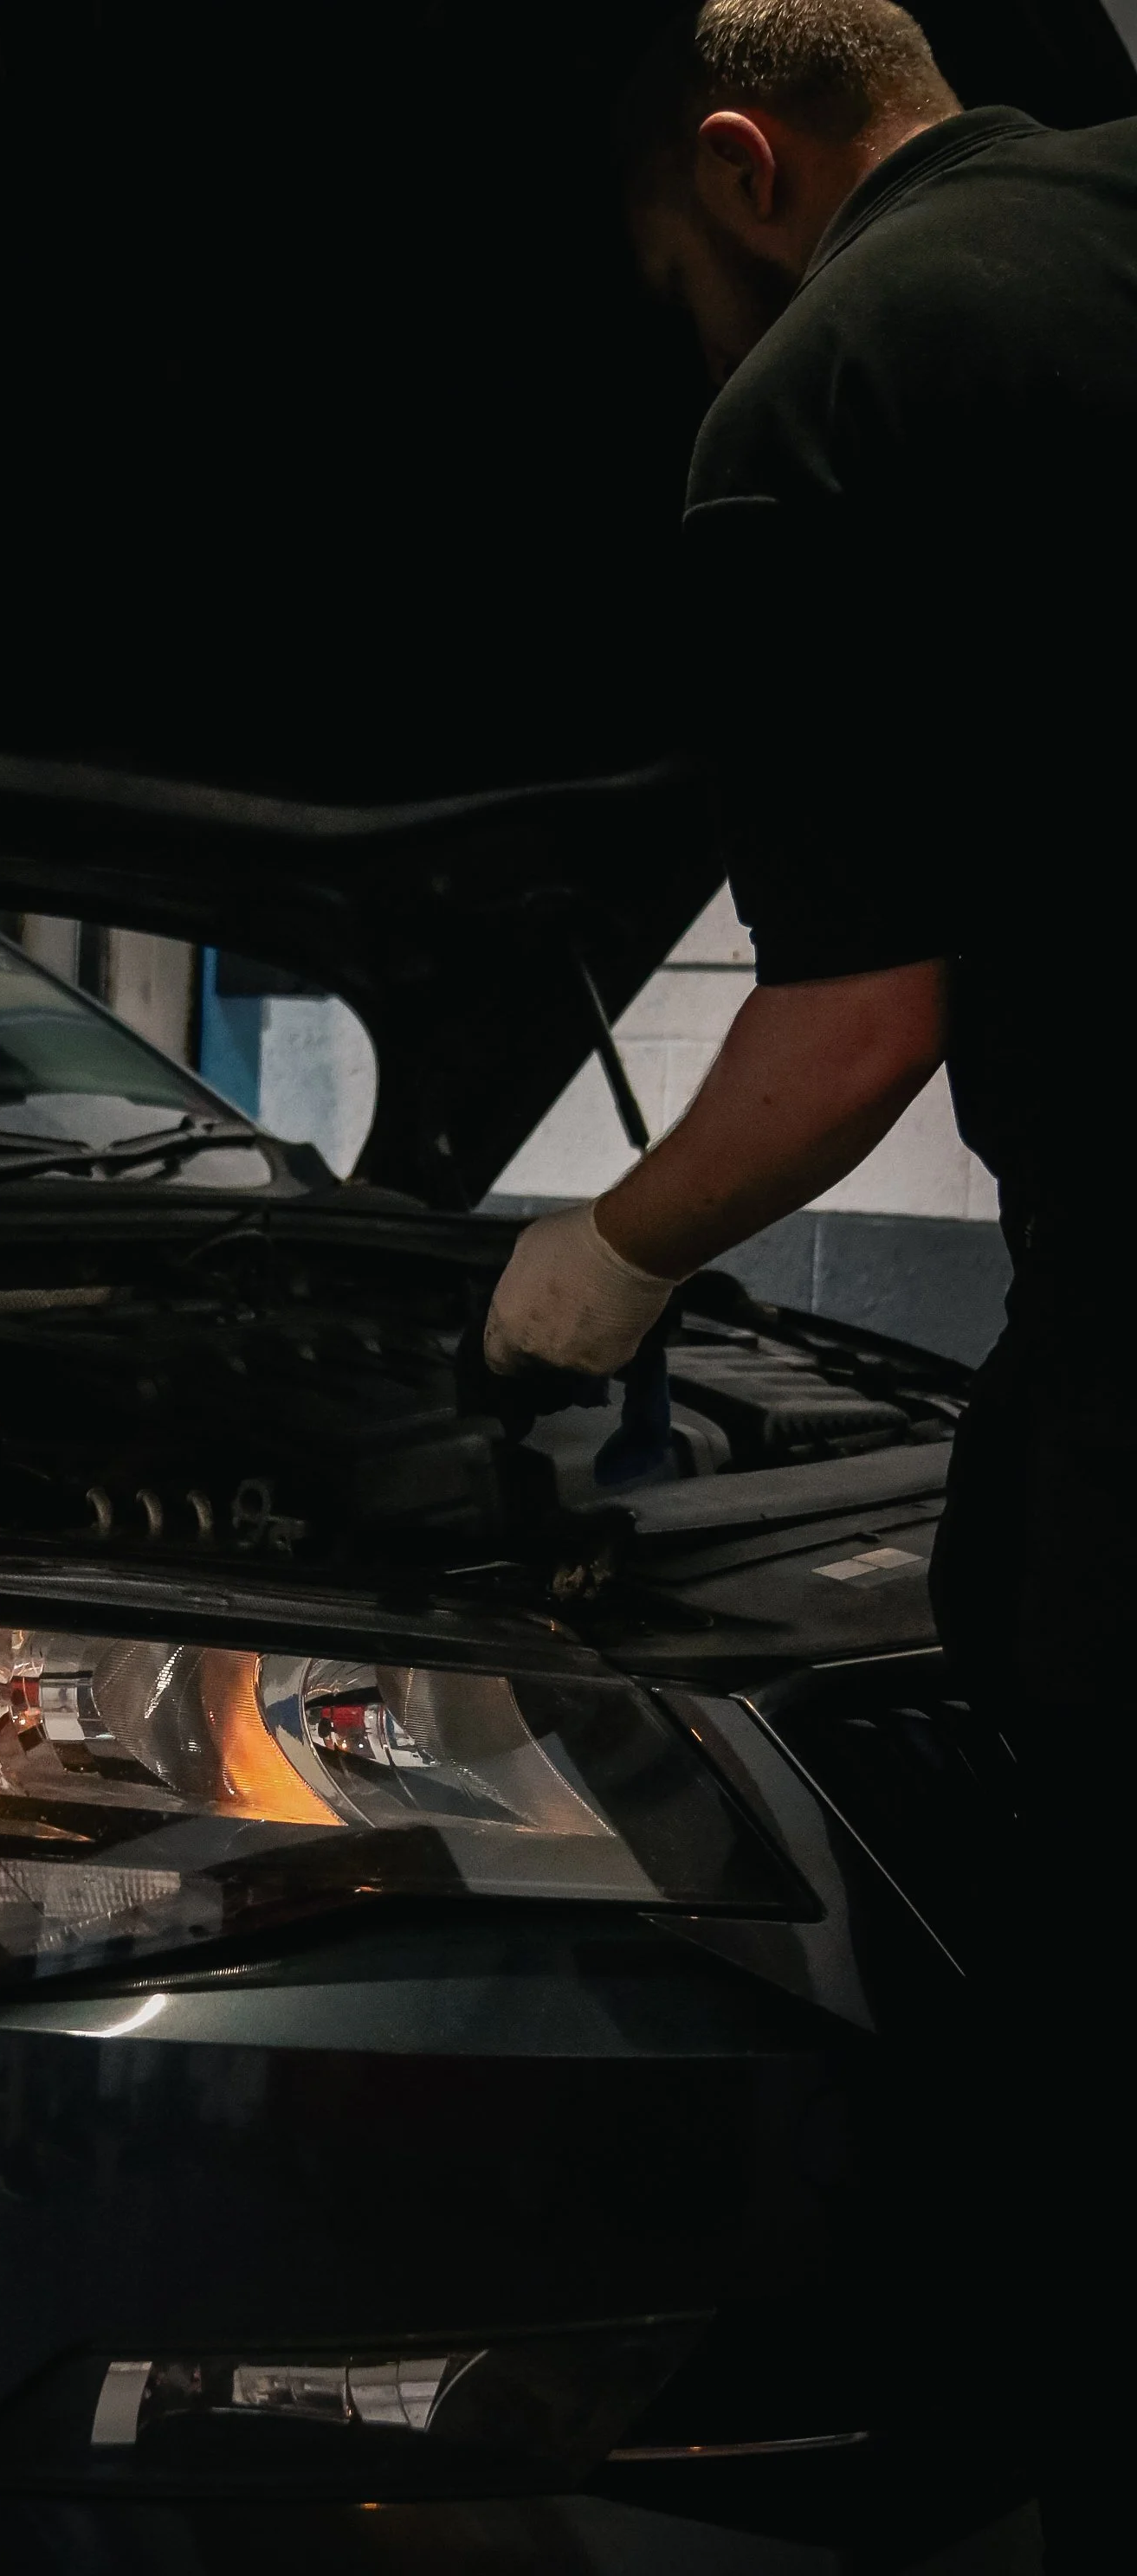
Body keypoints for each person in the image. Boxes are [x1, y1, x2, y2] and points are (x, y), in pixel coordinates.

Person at [485, 3, 1137, 2560]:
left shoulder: (842, 380)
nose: (704, 331)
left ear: (749, 166)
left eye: (681, 276)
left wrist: (601, 1263)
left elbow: (866, 1013)